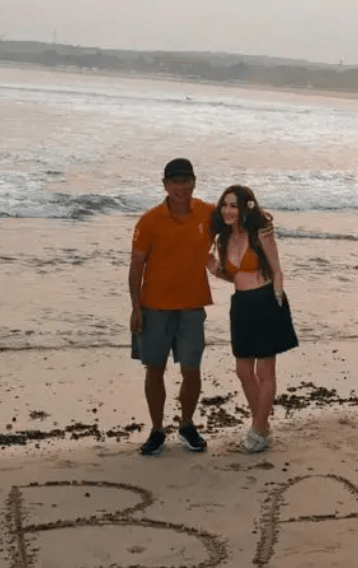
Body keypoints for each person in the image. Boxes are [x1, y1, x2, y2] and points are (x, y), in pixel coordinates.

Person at [129, 158, 215, 456]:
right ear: (165, 185)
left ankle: (187, 425)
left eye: (186, 181)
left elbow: (239, 222)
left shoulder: (208, 214)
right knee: (155, 369)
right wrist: (135, 307)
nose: (181, 188)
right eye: (175, 182)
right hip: (154, 307)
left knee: (192, 371)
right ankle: (156, 430)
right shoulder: (149, 220)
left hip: (192, 308)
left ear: (194, 182)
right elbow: (136, 266)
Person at [208, 184, 298, 453]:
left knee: (264, 371)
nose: (227, 210)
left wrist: (277, 300)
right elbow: (234, 276)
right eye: (224, 205)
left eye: (233, 206)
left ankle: (258, 429)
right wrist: (215, 270)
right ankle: (262, 426)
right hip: (241, 305)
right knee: (243, 371)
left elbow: (277, 270)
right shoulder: (224, 239)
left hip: (266, 301)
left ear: (245, 208)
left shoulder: (261, 233)